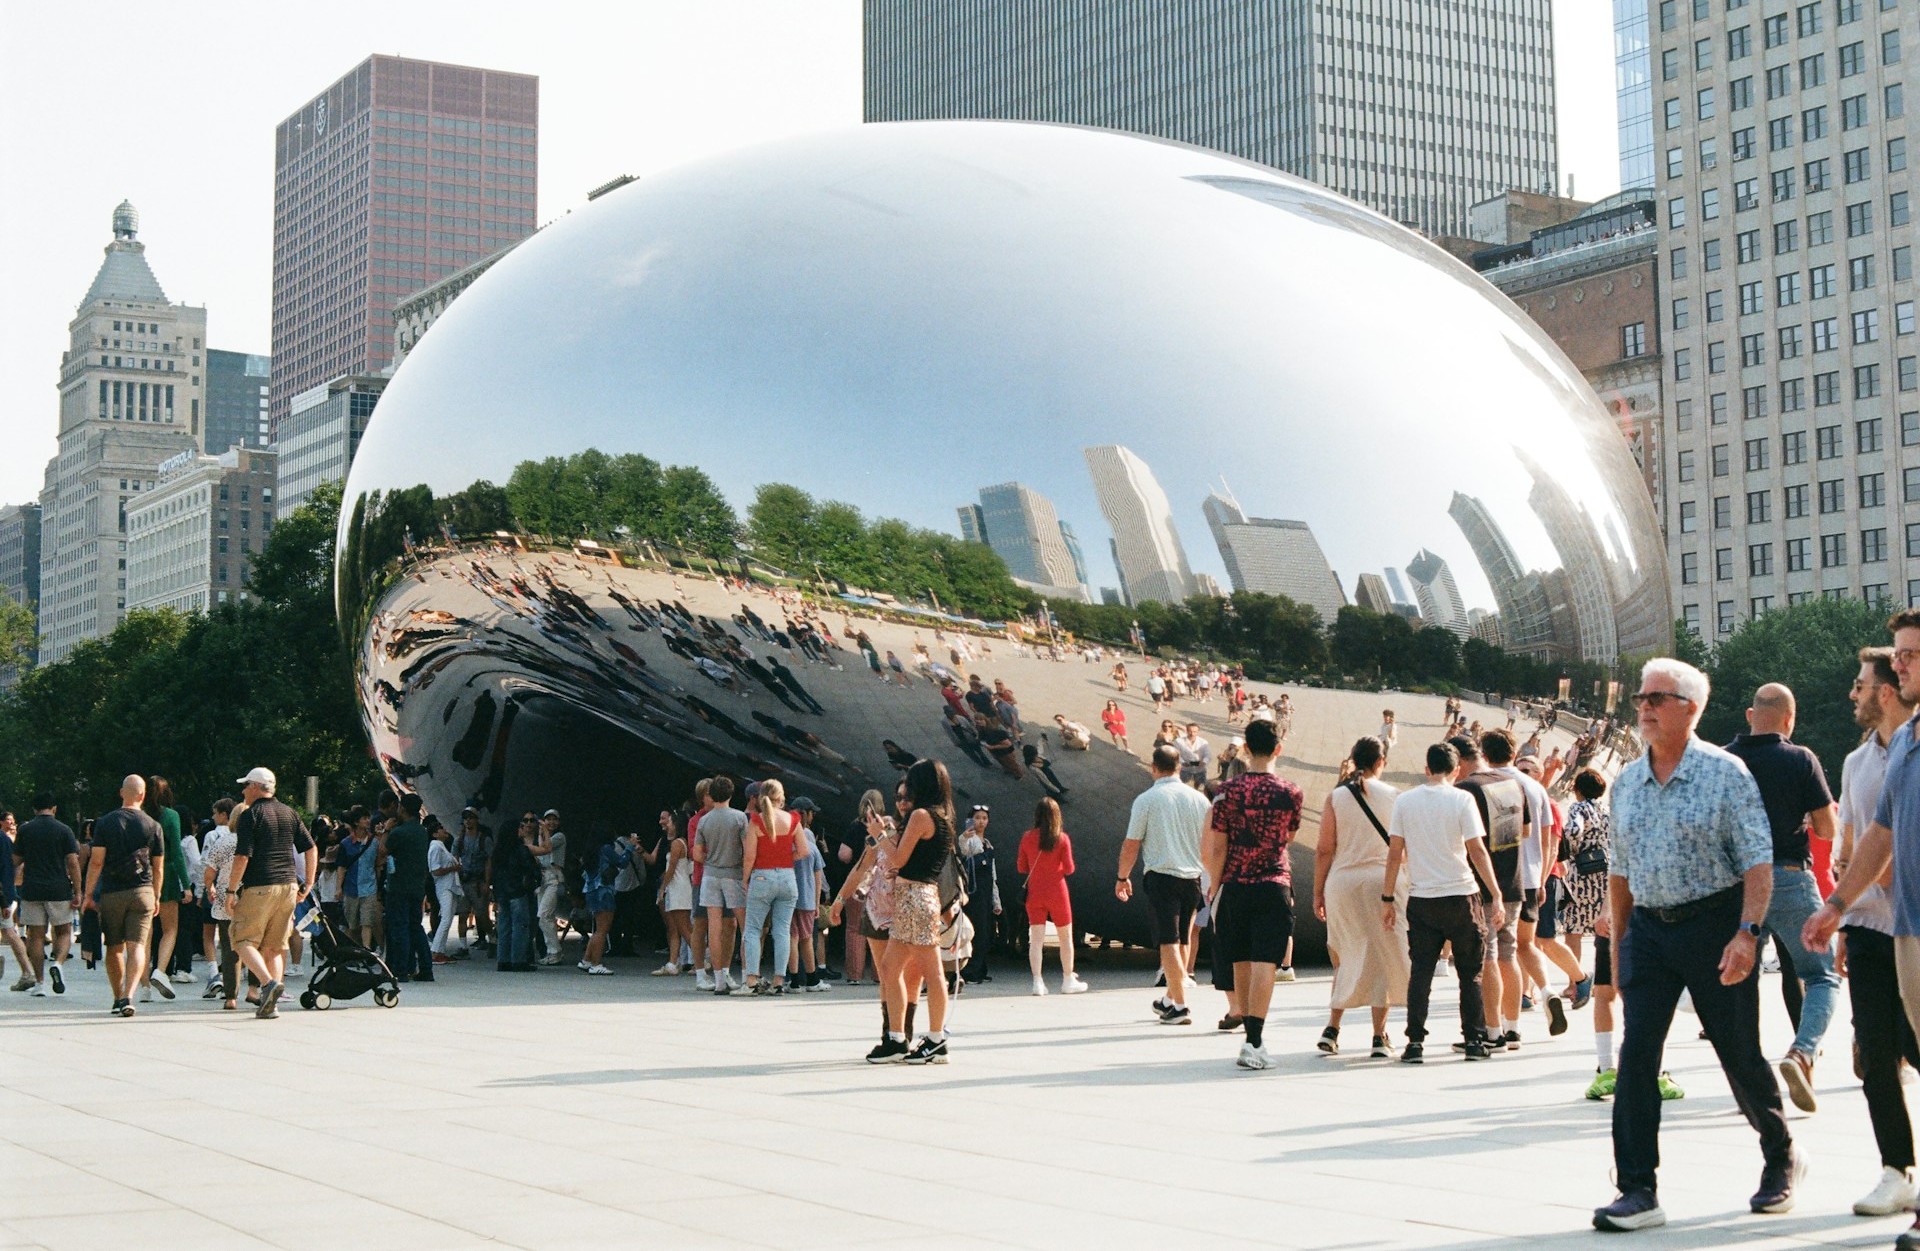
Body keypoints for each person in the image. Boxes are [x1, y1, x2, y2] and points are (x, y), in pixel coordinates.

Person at [1593, 659, 1794, 1232]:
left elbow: (1758, 860)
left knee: (1738, 1053)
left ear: (1691, 708)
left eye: (1658, 697)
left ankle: (1780, 1157)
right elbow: (1620, 870)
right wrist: (1620, 946)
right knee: (1637, 1058)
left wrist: (1748, 934)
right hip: (1650, 932)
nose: (1645, 707)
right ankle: (1637, 1189)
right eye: (1641, 697)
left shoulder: (1725, 773)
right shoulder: (1627, 782)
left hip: (1715, 926)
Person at [1827, 646, 1920, 1219]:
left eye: (1861, 685)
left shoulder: (1912, 750)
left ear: (1886, 691)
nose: (1854, 694)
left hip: (1911, 925)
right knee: (1875, 1053)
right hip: (1866, 927)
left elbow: (1887, 843)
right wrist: (1842, 918)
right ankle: (1897, 1170)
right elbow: (1849, 841)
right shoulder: (1857, 762)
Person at [1722, 683, 1840, 1114]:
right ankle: (1802, 1052)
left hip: (1734, 885)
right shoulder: (1800, 758)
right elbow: (1827, 829)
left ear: (1751, 715)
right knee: (1820, 973)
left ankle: (1749, 1082)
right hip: (1788, 878)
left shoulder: (1721, 759)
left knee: (1739, 980)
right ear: (1790, 720)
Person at [1382, 742, 1503, 1063]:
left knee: (1420, 972)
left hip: (1422, 898)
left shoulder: (1405, 801)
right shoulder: (1462, 799)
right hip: (1462, 896)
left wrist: (1387, 897)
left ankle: (1415, 1043)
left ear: (1426, 769)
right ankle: (1474, 1040)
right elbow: (1477, 850)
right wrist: (1497, 894)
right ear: (1456, 771)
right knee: (1470, 974)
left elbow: (1395, 854)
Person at [1202, 717, 1302, 1071]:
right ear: (1278, 749)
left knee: (1240, 958)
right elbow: (1287, 837)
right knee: (1266, 963)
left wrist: (1215, 887)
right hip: (1273, 881)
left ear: (1245, 747)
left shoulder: (1225, 793)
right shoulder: (1290, 792)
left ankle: (1249, 1033)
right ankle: (1254, 1039)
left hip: (1235, 883)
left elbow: (1218, 846)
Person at [1315, 736, 1406, 1059]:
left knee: (1343, 954)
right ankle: (1379, 1036)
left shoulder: (1336, 796)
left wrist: (1318, 892)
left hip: (1342, 883)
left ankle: (1332, 1027)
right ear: (1381, 762)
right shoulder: (1396, 796)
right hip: (1383, 883)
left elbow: (1325, 849)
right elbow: (1401, 849)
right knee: (1382, 956)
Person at [1117, 744, 1211, 1025]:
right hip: (1192, 877)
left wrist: (1122, 877)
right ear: (1179, 767)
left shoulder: (1147, 799)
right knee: (1182, 937)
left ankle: (1180, 1006)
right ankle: (1171, 997)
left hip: (1162, 875)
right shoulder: (1199, 800)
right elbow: (1209, 845)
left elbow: (1132, 843)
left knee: (1168, 940)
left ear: (1153, 768)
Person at [872, 759, 957, 1064]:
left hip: (915, 899)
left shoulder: (921, 815)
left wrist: (880, 835)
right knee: (889, 967)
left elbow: (897, 859)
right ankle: (896, 1038)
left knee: (932, 973)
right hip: (916, 897)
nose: (905, 787)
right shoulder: (943, 817)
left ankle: (936, 1040)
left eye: (909, 780)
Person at [227, 768, 318, 1021]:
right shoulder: (289, 813)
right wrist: (308, 882)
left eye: (246, 785)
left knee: (241, 939)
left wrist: (231, 891)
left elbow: (243, 856)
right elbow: (310, 848)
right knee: (275, 948)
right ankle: (272, 1003)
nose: (243, 790)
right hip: (288, 886)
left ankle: (267, 984)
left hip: (260, 886)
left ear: (256, 787)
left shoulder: (250, 815)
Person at [1559, 769, 1624, 1099]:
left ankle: (1575, 980)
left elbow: (1572, 832)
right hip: (1607, 880)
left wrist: (1565, 848)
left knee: (1572, 926)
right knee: (1602, 929)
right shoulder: (1607, 811)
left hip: (1582, 875)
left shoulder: (1578, 809)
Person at [85, 776, 167, 1018]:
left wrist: (88, 894)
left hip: (112, 892)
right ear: (143, 795)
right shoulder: (153, 825)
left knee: (114, 947)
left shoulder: (106, 823)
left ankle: (117, 996)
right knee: (138, 946)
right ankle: (130, 995)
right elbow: (159, 866)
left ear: (122, 792)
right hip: (143, 892)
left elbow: (97, 861)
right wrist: (157, 894)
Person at [15, 791, 80, 997]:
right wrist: (78, 890)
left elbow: (15, 860)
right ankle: (58, 964)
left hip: (32, 888)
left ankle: (40, 983)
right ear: (54, 809)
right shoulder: (64, 830)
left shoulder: (25, 830)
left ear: (34, 809)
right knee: (63, 931)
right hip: (59, 888)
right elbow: (72, 862)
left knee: (35, 936)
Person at [1019, 796, 1085, 996]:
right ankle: (1067, 979)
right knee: (1065, 938)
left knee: (1036, 939)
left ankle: (1037, 982)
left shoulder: (1027, 837)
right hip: (1057, 891)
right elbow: (1070, 868)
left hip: (1034, 892)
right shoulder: (1062, 838)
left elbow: (1021, 867)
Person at [740, 779, 800, 994]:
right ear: (781, 797)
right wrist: (785, 858)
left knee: (753, 929)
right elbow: (803, 851)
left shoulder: (756, 821)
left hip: (762, 877)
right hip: (787, 878)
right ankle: (778, 981)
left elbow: (749, 857)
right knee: (782, 930)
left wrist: (745, 879)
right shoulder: (793, 819)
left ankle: (752, 980)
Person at [695, 778, 748, 994]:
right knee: (745, 927)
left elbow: (697, 853)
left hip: (710, 875)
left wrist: (712, 857)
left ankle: (718, 980)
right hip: (733, 874)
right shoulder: (739, 818)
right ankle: (746, 976)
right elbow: (746, 851)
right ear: (730, 794)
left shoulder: (704, 821)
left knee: (713, 929)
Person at [146, 776, 191, 997]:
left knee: (145, 932)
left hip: (141, 875)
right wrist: (187, 884)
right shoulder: (171, 816)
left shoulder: (140, 816)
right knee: (170, 929)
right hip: (167, 877)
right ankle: (161, 970)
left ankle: (143, 984)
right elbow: (177, 853)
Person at [382, 794, 434, 983]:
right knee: (416, 927)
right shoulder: (422, 832)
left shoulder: (398, 832)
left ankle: (400, 970)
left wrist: (385, 831)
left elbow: (382, 851)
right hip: (417, 886)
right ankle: (426, 968)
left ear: (403, 809)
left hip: (398, 886)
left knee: (399, 928)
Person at [200, 798, 242, 1009]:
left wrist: (209, 887)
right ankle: (255, 989)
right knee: (254, 944)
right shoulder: (256, 841)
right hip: (252, 897)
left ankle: (230, 996)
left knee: (228, 946)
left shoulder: (221, 841)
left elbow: (209, 870)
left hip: (226, 897)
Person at [787, 797, 828, 991]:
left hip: (787, 898)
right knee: (807, 939)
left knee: (791, 938)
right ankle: (812, 979)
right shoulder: (810, 845)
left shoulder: (784, 842)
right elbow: (818, 875)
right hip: (807, 898)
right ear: (805, 815)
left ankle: (793, 979)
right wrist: (817, 900)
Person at [490, 813, 541, 971]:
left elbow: (494, 873)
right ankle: (518, 960)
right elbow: (531, 870)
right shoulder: (521, 850)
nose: (523, 828)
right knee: (521, 927)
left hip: (502, 894)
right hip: (518, 892)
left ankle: (503, 960)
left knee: (504, 926)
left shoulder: (498, 851)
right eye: (520, 826)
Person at [580, 831, 635, 976]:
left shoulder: (590, 851)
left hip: (591, 890)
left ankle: (586, 960)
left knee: (598, 929)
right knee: (603, 930)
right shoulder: (605, 849)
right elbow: (622, 862)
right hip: (604, 891)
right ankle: (596, 964)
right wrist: (630, 847)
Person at [958, 804, 1001, 985]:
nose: (980, 821)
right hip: (972, 892)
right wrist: (963, 837)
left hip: (985, 892)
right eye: (977, 818)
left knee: (986, 932)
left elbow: (993, 875)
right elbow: (964, 850)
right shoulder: (970, 839)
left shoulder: (988, 844)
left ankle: (980, 968)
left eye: (984, 818)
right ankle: (969, 971)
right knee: (974, 932)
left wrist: (996, 901)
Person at [653, 809, 695, 976]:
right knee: (677, 927)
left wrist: (663, 888)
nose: (667, 824)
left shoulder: (677, 843)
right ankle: (673, 962)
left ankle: (702, 959)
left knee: (684, 928)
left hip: (678, 888)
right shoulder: (681, 842)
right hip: (678, 887)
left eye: (669, 821)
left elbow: (670, 869)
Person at [533, 808, 570, 966]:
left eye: (555, 819)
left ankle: (555, 952)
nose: (551, 822)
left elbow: (546, 848)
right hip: (543, 879)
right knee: (543, 917)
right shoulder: (544, 836)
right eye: (548, 819)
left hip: (554, 878)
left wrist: (543, 831)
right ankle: (552, 951)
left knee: (544, 915)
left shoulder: (559, 837)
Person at [427, 818, 463, 965]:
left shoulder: (441, 846)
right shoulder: (435, 847)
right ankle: (436, 951)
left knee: (447, 919)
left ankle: (439, 950)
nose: (445, 831)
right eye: (441, 829)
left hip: (450, 885)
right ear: (435, 834)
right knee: (446, 918)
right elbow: (435, 870)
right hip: (444, 886)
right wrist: (452, 868)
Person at [1176, 723, 1212, 788]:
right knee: (1181, 783)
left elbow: (1208, 755)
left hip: (1199, 768)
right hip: (1185, 768)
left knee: (1199, 783)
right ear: (1186, 731)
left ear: (1198, 732)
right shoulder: (1179, 741)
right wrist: (1182, 762)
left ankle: (1196, 790)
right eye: (1190, 731)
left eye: (1195, 732)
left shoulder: (1203, 742)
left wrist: (1204, 762)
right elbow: (1176, 754)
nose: (1192, 734)